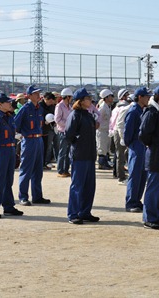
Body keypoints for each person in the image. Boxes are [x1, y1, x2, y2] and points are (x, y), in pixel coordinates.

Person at [0, 93, 24, 218]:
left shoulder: (9, 117)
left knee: (8, 180)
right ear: (0, 104)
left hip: (9, 151)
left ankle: (8, 206)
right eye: (7, 102)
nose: (10, 104)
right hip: (0, 152)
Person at [139, 85, 159, 230]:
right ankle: (150, 217)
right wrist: (153, 145)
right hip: (155, 156)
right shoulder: (151, 113)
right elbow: (144, 134)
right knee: (154, 189)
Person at [64, 88, 100, 224]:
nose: (90, 100)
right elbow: (68, 135)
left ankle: (85, 212)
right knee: (77, 186)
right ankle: (73, 213)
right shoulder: (75, 115)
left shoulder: (88, 114)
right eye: (87, 98)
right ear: (80, 101)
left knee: (89, 186)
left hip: (89, 155)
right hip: (79, 155)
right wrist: (78, 142)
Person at [14, 85, 50, 206]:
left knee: (38, 169)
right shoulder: (25, 108)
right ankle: (23, 196)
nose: (38, 95)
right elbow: (16, 124)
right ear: (29, 96)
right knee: (26, 169)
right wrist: (20, 135)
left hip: (38, 140)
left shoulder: (39, 108)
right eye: (35, 93)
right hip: (29, 140)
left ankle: (37, 195)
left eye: (39, 93)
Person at [124, 87, 152, 212]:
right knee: (135, 175)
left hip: (142, 146)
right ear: (140, 97)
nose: (148, 99)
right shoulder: (133, 111)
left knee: (142, 175)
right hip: (136, 146)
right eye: (146, 96)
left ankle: (137, 200)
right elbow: (127, 133)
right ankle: (131, 202)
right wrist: (131, 145)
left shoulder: (142, 110)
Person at [110, 89, 131, 184]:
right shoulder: (123, 107)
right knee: (120, 155)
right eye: (126, 95)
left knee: (119, 155)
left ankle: (117, 173)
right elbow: (119, 123)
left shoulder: (116, 107)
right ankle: (121, 177)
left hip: (116, 131)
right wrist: (122, 137)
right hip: (119, 132)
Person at [55, 87, 73, 177]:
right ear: (67, 97)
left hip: (68, 132)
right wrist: (67, 124)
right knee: (62, 152)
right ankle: (60, 170)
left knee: (68, 152)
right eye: (70, 97)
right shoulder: (59, 106)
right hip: (62, 131)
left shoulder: (69, 106)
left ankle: (66, 169)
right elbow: (57, 119)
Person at [97, 89, 114, 170]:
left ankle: (105, 162)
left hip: (107, 130)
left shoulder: (108, 106)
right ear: (106, 98)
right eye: (111, 96)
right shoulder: (102, 107)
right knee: (102, 149)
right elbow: (98, 120)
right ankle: (101, 163)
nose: (112, 98)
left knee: (106, 148)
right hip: (102, 130)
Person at [39, 92, 57, 170]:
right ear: (45, 99)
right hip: (41, 129)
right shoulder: (39, 106)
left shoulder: (52, 106)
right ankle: (41, 163)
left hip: (49, 129)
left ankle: (46, 162)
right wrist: (44, 122)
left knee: (48, 147)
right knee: (42, 147)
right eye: (49, 101)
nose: (50, 103)